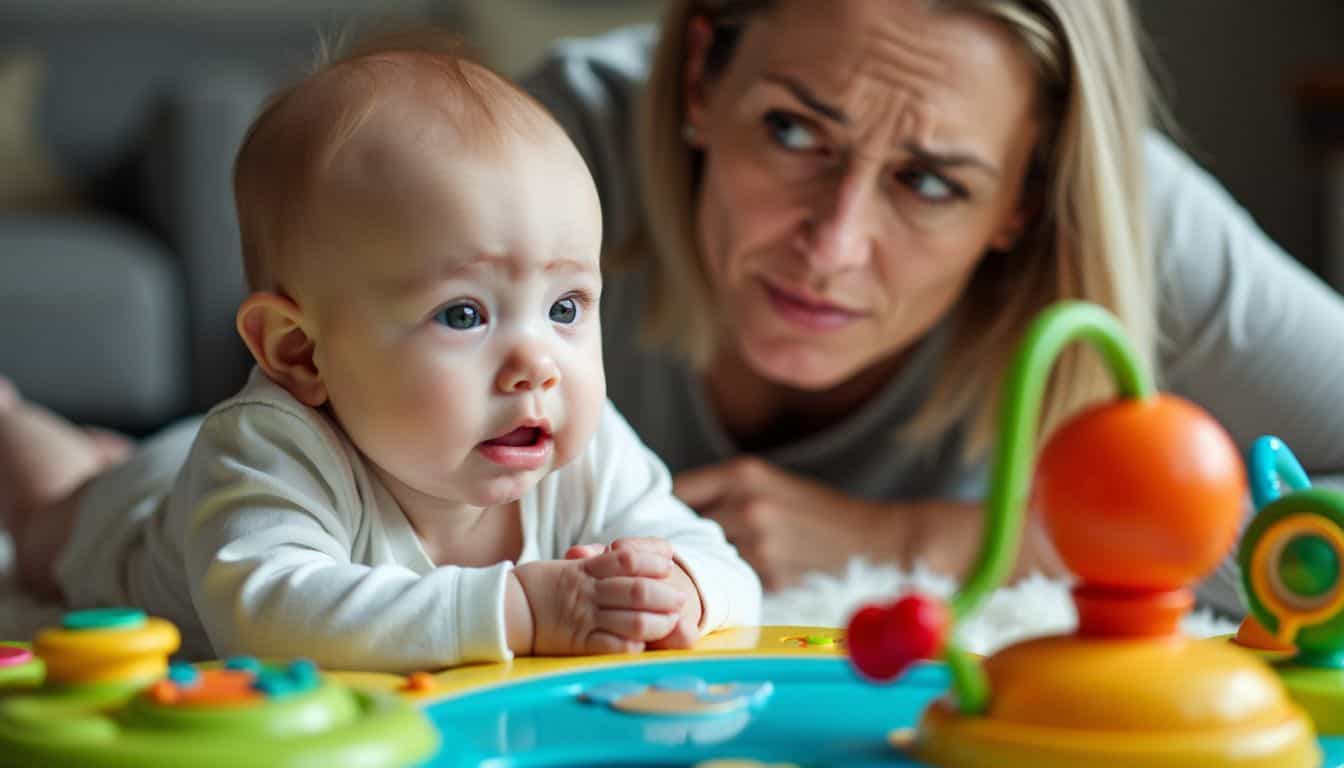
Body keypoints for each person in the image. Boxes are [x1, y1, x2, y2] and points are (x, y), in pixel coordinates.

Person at [520, 0, 1344, 610]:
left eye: (930, 182)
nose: (834, 245)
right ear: (702, 77)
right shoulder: (532, 160)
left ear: (1028, 192)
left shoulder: (1136, 222)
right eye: (795, 132)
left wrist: (919, 542)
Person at [0, 38, 761, 671]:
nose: (538, 364)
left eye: (565, 308)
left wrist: (684, 588)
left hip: (203, 478)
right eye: (464, 314)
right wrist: (521, 608)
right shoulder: (271, 448)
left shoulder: (587, 449)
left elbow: (725, 566)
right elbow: (269, 616)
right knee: (52, 508)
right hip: (145, 513)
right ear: (300, 353)